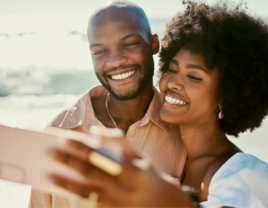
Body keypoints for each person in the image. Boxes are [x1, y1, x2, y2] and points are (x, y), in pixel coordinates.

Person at [48, 1, 268, 208]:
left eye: (194, 76)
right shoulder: (185, 159)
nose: (173, 83)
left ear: (227, 93)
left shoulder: (242, 172)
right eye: (172, 69)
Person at [30, 1, 187, 208]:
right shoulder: (59, 132)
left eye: (129, 44)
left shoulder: (185, 132)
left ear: (154, 44)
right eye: (99, 52)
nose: (115, 61)